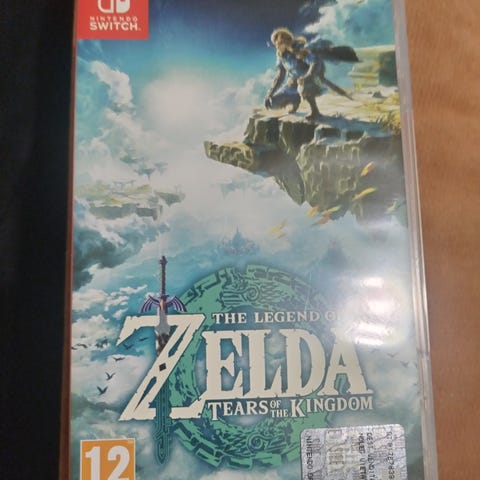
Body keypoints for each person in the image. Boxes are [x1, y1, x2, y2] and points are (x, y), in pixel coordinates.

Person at [264, 28, 325, 121]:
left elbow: (314, 62)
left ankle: (315, 111)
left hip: (310, 81)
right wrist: (270, 93)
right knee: (272, 103)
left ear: (285, 41)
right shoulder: (281, 54)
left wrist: (307, 76)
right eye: (275, 44)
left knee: (304, 87)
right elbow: (280, 75)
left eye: (279, 43)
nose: (277, 47)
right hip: (292, 85)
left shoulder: (299, 49)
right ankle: (295, 100)